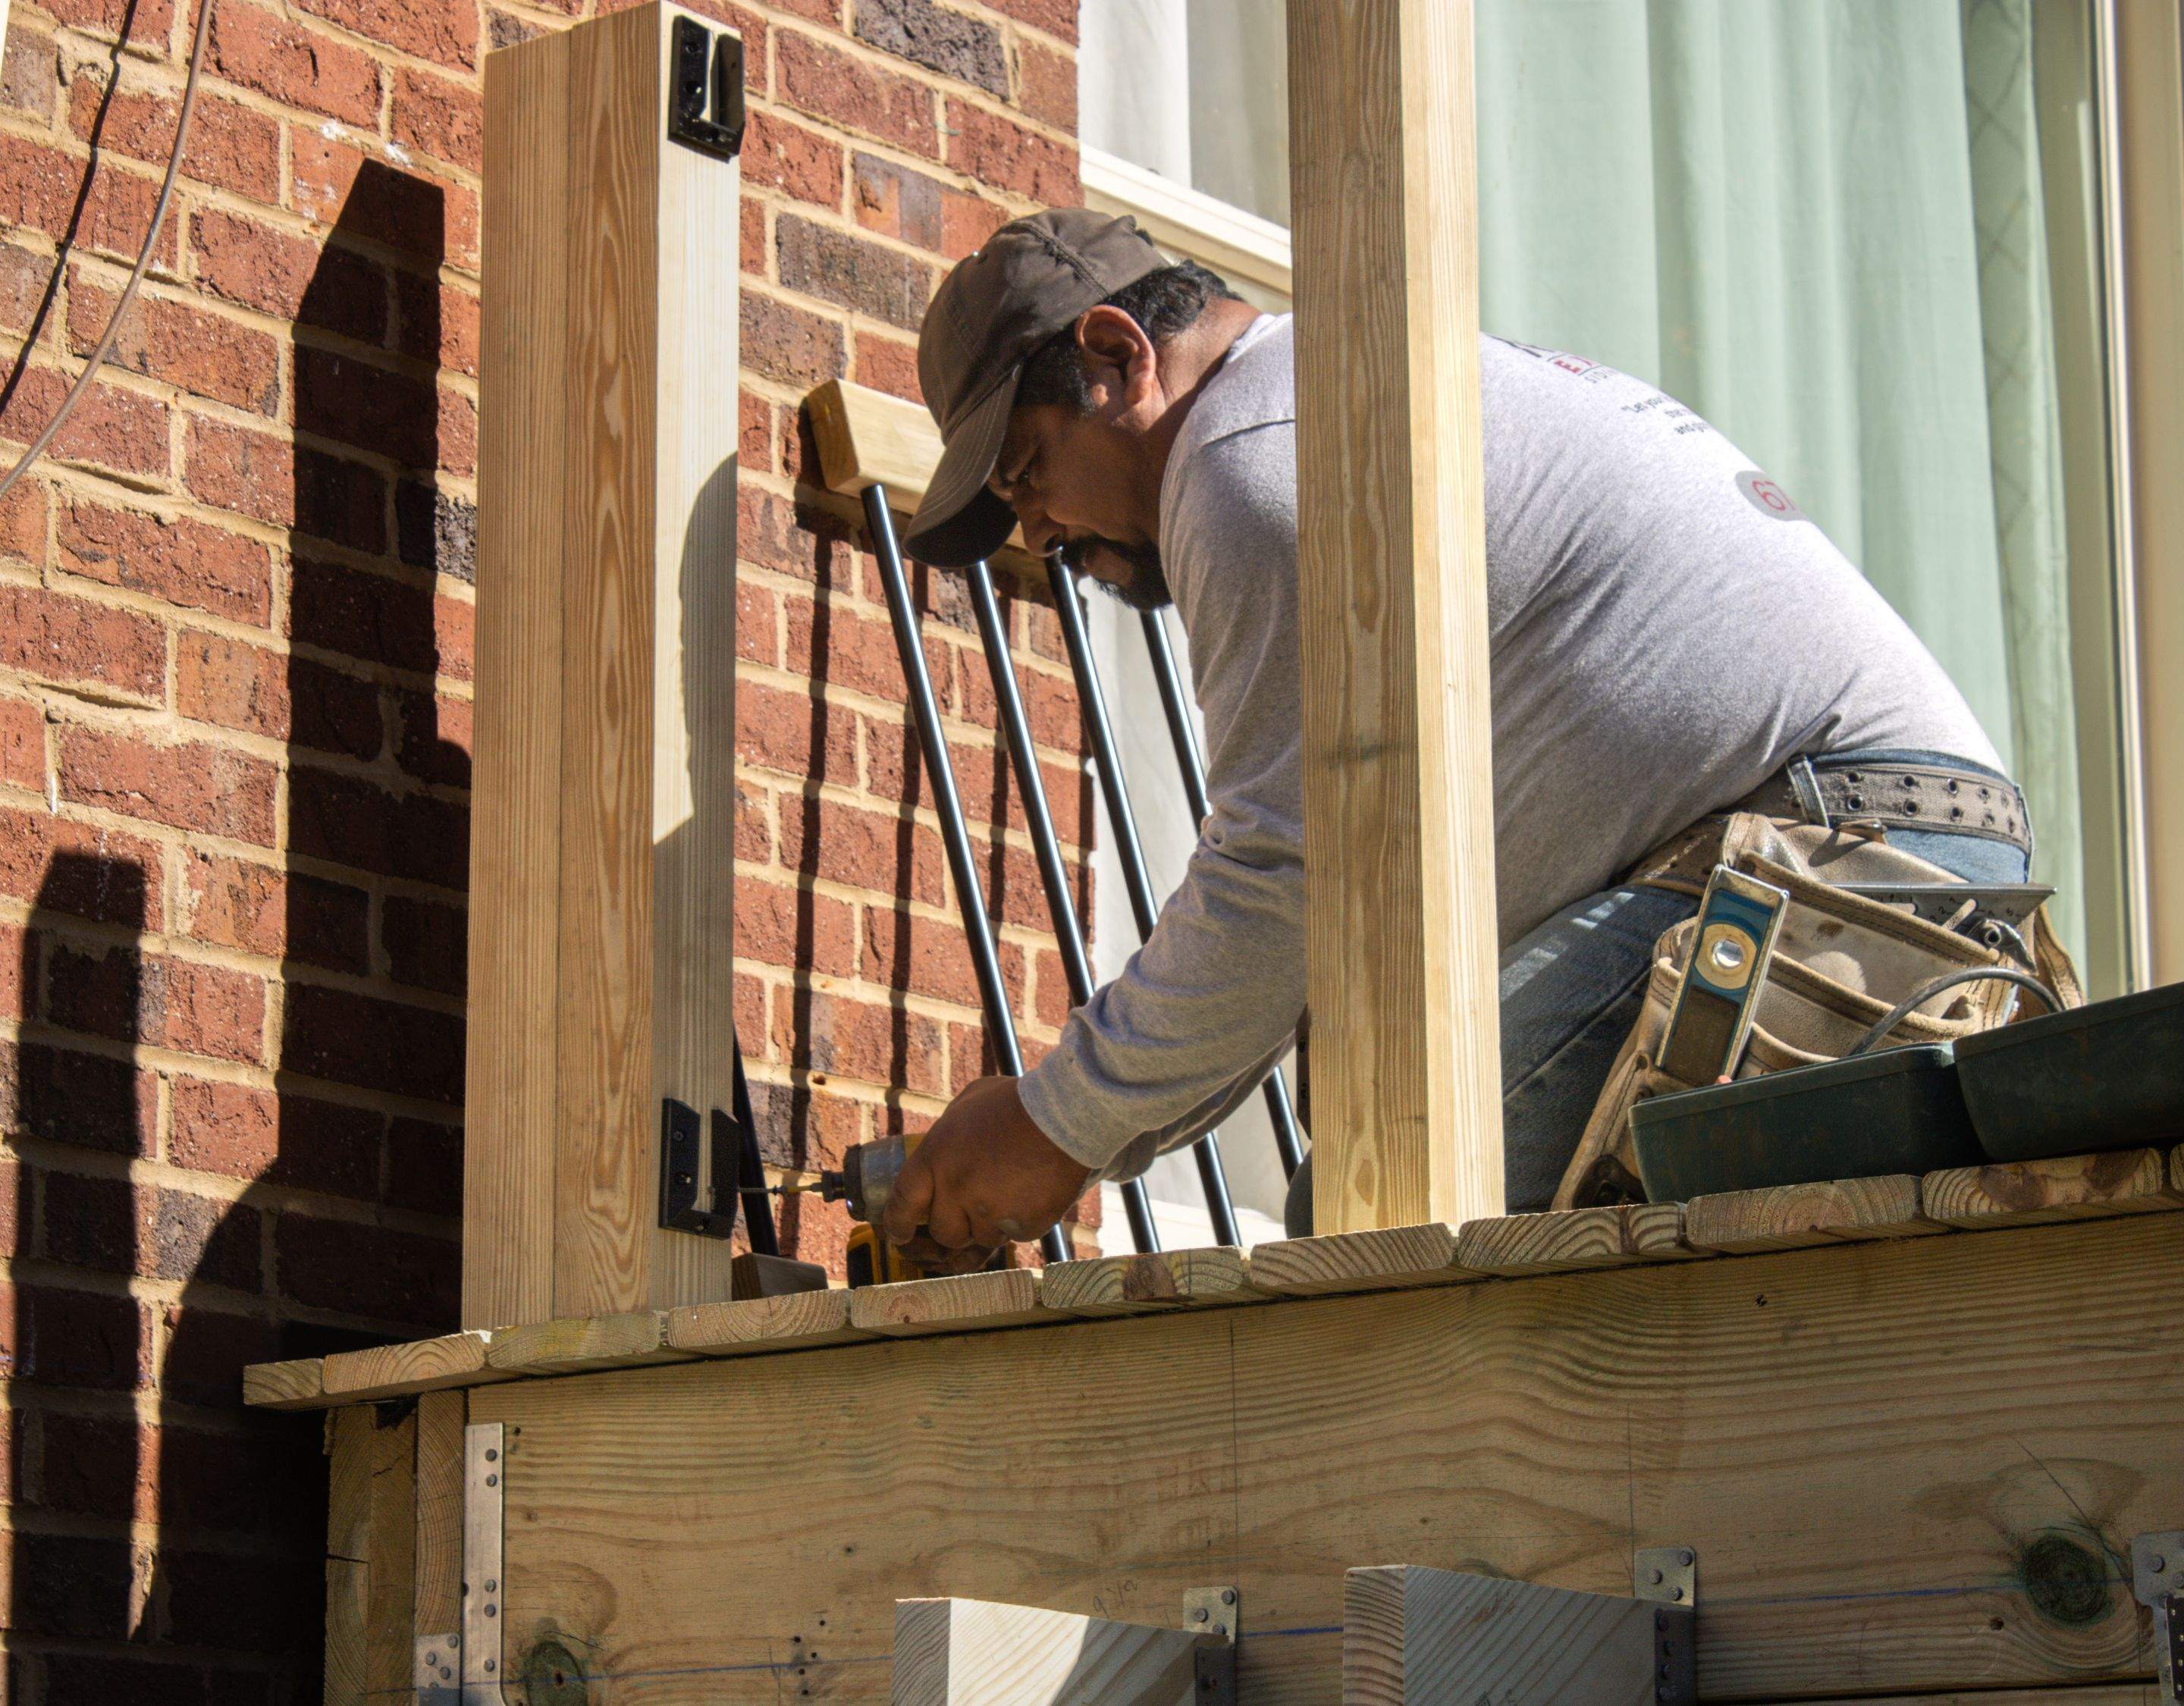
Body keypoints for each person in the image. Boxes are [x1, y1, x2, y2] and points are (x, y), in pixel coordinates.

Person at [877, 208, 2030, 1265]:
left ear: (1123, 354)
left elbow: (1281, 880)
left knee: (1374, 1225)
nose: (1036, 532)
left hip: (1832, 866)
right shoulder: (1333, 394)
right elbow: (1334, 884)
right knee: (1393, 1181)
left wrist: (1052, 1121)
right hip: (1895, 853)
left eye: (1026, 472)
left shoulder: (1248, 456)